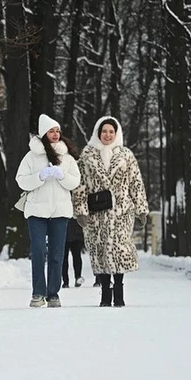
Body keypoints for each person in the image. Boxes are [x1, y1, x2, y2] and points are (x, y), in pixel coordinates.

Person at [73, 116, 149, 307]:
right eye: (104, 131)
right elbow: (80, 186)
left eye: (111, 132)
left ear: (116, 134)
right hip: (97, 212)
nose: (107, 135)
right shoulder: (87, 155)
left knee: (119, 249)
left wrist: (141, 209)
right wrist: (81, 210)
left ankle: (119, 291)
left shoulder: (126, 155)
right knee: (100, 250)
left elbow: (136, 183)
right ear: (98, 133)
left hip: (122, 212)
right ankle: (105, 292)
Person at [16, 114, 81, 308]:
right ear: (44, 133)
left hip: (60, 211)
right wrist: (40, 176)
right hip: (36, 210)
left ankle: (53, 293)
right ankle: (38, 293)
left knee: (56, 253)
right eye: (52, 131)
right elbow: (21, 180)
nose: (55, 134)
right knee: (38, 251)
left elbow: (75, 181)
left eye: (57, 131)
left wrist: (61, 175)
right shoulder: (31, 156)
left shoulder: (66, 156)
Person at [62, 216, 85, 288]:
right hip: (67, 230)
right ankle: (65, 281)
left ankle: (77, 277)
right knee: (65, 258)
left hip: (74, 230)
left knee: (76, 256)